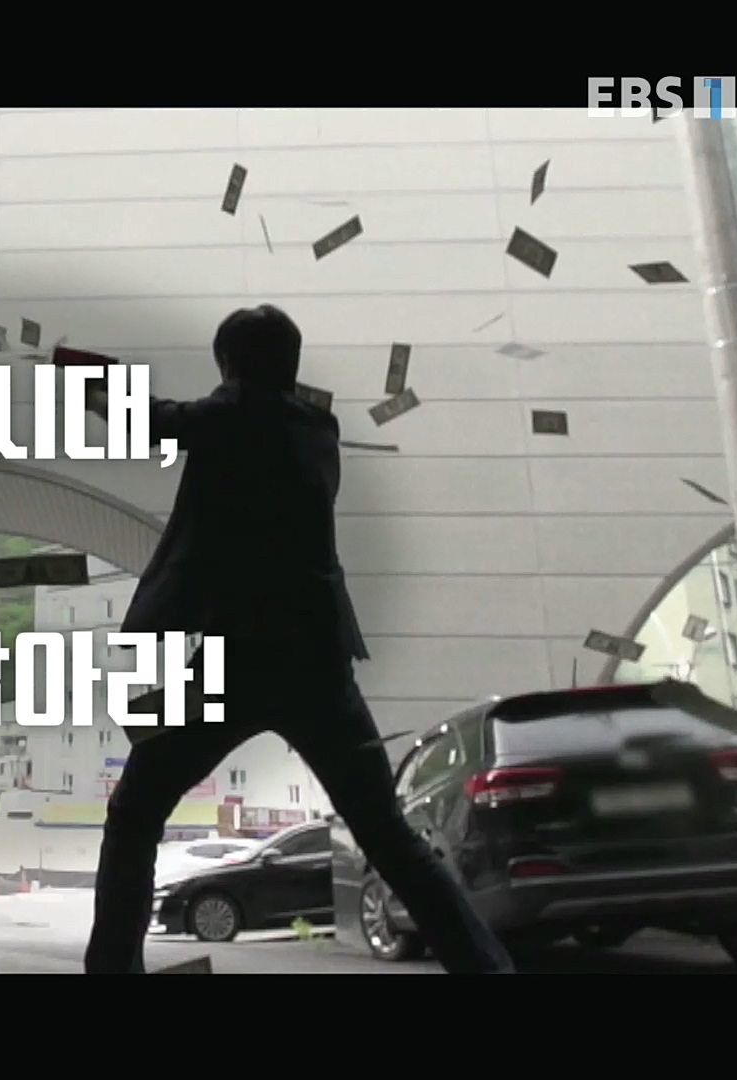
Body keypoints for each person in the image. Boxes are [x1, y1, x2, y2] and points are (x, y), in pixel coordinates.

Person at [79, 305, 515, 975]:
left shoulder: (230, 417)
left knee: (136, 812)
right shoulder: (317, 429)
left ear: (230, 365)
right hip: (319, 661)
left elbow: (155, 421)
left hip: (235, 658)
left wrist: (88, 380)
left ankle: (113, 969)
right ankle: (485, 968)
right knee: (386, 833)